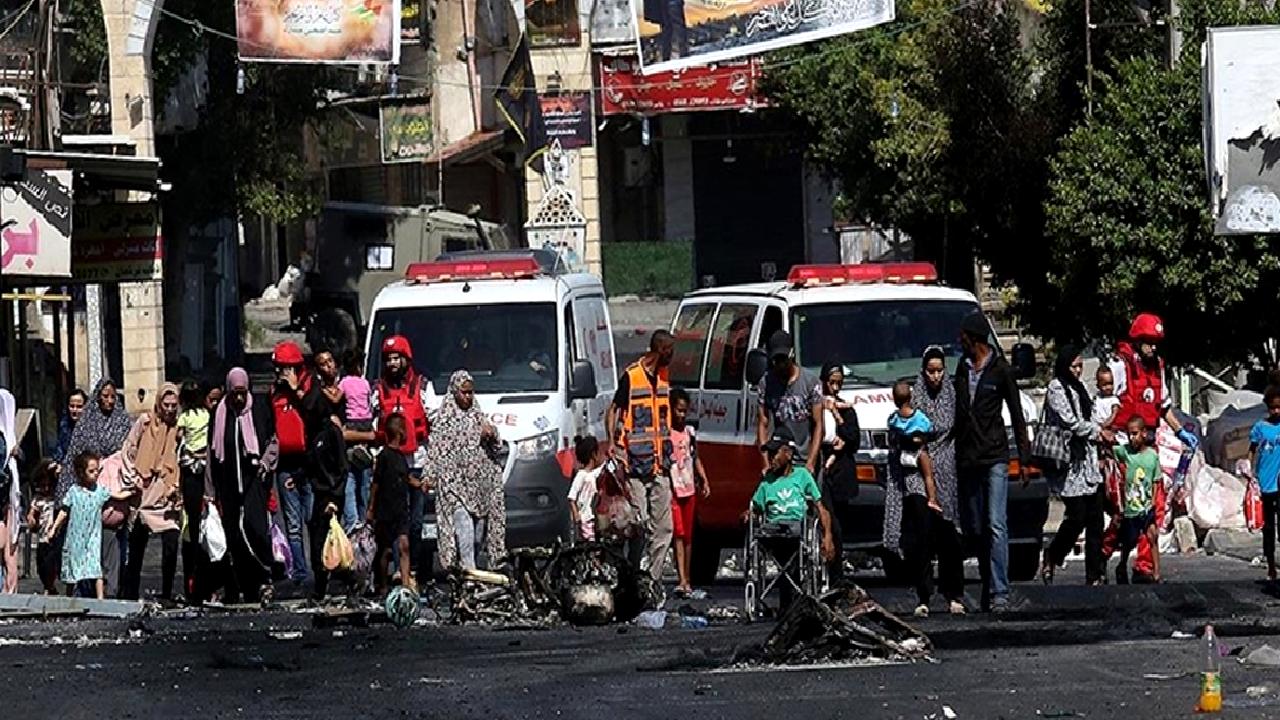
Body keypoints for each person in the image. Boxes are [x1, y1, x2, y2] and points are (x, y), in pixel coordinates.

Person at [1106, 312, 1198, 583]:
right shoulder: (1120, 366)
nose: (1153, 347)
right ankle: (1104, 552)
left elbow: (1163, 406)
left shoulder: (1157, 366)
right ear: (1137, 340)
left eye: (1156, 342)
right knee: (1124, 511)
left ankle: (1144, 565)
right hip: (1124, 449)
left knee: (1154, 508)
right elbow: (1106, 403)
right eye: (1148, 342)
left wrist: (1180, 431)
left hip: (1148, 451)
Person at [954, 311, 1030, 613]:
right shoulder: (962, 368)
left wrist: (1023, 458)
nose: (960, 342)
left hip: (995, 456)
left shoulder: (1001, 371)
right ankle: (987, 581)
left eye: (963, 337)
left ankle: (1000, 591)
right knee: (975, 525)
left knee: (997, 523)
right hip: (968, 458)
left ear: (974, 339)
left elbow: (1017, 415)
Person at [607, 330, 676, 582]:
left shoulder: (665, 377)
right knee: (640, 524)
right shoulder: (632, 376)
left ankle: (652, 582)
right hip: (635, 463)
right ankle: (632, 573)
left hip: (660, 465)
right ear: (661, 350)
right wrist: (613, 444)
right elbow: (614, 409)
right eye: (670, 350)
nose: (672, 356)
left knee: (664, 528)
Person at [1040, 347, 1112, 586]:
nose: (1078, 371)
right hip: (1070, 463)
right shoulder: (1056, 388)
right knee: (1076, 517)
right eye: (1074, 366)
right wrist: (1097, 432)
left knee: (1095, 519)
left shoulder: (1081, 389)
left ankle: (1095, 574)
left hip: (1089, 461)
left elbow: (1089, 418)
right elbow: (1069, 421)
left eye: (1081, 366)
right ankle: (1054, 553)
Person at [745, 426, 836, 610]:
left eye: (774, 453)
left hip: (798, 530)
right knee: (765, 536)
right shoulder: (767, 482)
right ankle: (778, 601)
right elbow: (756, 508)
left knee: (797, 551)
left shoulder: (802, 476)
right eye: (769, 454)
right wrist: (748, 515)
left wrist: (827, 537)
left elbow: (821, 508)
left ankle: (796, 600)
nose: (771, 458)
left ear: (787, 453)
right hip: (773, 531)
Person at [205, 368, 276, 605]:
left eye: (242, 393)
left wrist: (265, 465)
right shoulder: (220, 414)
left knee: (256, 530)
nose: (238, 399)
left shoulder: (258, 409)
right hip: (228, 486)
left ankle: (265, 579)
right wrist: (211, 491)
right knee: (234, 535)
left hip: (253, 482)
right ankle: (245, 586)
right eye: (234, 393)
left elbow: (273, 441)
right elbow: (212, 453)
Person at [426, 371, 506, 571]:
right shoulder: (443, 421)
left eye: (471, 393)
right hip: (454, 484)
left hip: (480, 485)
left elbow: (497, 447)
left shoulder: (477, 416)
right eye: (464, 392)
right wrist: (429, 476)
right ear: (455, 392)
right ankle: (468, 570)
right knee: (463, 525)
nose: (468, 397)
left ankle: (482, 569)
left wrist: (492, 433)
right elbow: (435, 450)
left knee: (479, 531)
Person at [910, 347, 966, 616]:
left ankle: (953, 593)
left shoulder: (952, 395)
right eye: (930, 371)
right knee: (923, 535)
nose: (935, 376)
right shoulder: (915, 396)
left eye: (939, 370)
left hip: (947, 468)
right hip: (919, 470)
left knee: (949, 535)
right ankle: (923, 596)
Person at [883, 380, 943, 618]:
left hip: (917, 494)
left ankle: (925, 590)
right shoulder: (896, 430)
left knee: (922, 541)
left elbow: (928, 477)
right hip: (903, 491)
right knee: (909, 542)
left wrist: (932, 499)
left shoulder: (920, 452)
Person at [372, 336, 430, 575]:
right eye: (389, 359)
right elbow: (375, 424)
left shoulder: (423, 387)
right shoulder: (378, 391)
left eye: (397, 358)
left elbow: (433, 422)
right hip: (391, 469)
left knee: (416, 523)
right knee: (395, 523)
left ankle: (413, 567)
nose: (393, 363)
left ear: (406, 360)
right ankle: (399, 569)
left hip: (416, 463)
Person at [120, 383, 183, 602]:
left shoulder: (179, 427)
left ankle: (167, 592)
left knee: (171, 544)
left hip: (167, 492)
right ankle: (130, 592)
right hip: (144, 492)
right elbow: (129, 449)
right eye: (165, 405)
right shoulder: (145, 423)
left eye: (174, 405)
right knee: (136, 546)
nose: (169, 409)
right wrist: (133, 478)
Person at [51, 452, 137, 599]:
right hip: (75, 537)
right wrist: (54, 528)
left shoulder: (100, 491)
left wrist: (132, 491)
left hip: (92, 536)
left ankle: (100, 599)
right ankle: (69, 598)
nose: (96, 474)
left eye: (97, 470)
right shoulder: (74, 491)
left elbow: (117, 495)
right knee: (73, 566)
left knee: (95, 567)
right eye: (91, 471)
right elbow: (64, 511)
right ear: (80, 473)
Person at [302, 347, 349, 600]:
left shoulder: (332, 434)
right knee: (317, 537)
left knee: (333, 537)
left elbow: (342, 468)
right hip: (318, 489)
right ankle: (320, 585)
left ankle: (342, 581)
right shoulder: (316, 436)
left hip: (331, 492)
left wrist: (334, 497)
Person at [270, 341, 315, 583]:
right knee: (293, 522)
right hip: (285, 465)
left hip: (307, 464)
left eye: (286, 369)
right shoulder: (273, 393)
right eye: (279, 369)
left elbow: (313, 413)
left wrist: (297, 391)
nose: (282, 374)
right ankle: (299, 571)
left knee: (312, 516)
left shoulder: (308, 389)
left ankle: (320, 568)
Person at [757, 330, 824, 478]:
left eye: (783, 359)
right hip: (779, 458)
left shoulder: (811, 382)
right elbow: (763, 422)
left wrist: (811, 462)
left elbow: (818, 423)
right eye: (776, 360)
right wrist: (765, 463)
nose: (780, 364)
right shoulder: (766, 383)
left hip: (805, 457)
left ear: (792, 354)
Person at [818, 362, 860, 582]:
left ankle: (836, 576)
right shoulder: (816, 405)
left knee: (838, 527)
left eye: (838, 383)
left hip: (840, 473)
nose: (835, 387)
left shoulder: (846, 408)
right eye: (831, 382)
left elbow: (853, 438)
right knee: (828, 522)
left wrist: (838, 415)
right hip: (822, 472)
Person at [669, 387, 710, 599]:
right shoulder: (667, 434)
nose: (682, 415)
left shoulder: (690, 433)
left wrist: (703, 479)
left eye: (685, 411)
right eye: (678, 411)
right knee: (678, 533)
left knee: (689, 537)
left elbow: (696, 458)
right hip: (673, 488)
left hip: (689, 487)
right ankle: (682, 579)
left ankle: (688, 579)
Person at [367, 413, 413, 596]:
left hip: (401, 508)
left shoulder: (401, 457)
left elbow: (406, 478)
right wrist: (371, 508)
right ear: (400, 432)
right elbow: (376, 484)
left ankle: (406, 584)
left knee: (404, 545)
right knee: (385, 549)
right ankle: (383, 584)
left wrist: (419, 484)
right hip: (385, 509)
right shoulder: (384, 456)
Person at [1113, 415, 1162, 584]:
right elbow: (1112, 451)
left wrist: (1154, 501)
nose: (1132, 438)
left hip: (1146, 506)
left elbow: (1156, 480)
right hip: (1131, 507)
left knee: (1152, 536)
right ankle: (1121, 564)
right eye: (1129, 434)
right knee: (1129, 541)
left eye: (1135, 434)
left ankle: (1156, 572)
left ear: (1144, 433)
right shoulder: (1125, 452)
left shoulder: (1152, 456)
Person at [178, 379, 212, 599]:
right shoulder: (207, 415)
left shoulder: (185, 417)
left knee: (191, 516)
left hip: (189, 466)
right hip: (204, 464)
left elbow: (178, 437)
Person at [340, 349, 375, 532]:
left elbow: (338, 397)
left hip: (351, 424)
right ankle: (364, 521)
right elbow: (368, 402)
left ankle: (352, 521)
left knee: (350, 476)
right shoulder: (365, 383)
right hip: (366, 423)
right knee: (364, 479)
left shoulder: (344, 382)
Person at [1248, 387, 1280, 583]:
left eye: (1279, 407)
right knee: (1268, 528)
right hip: (1265, 482)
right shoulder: (1260, 427)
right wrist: (1250, 472)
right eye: (1273, 408)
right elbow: (1252, 450)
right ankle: (1270, 566)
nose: (1276, 411)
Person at [27, 459, 62, 594]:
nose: (46, 489)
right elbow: (32, 513)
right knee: (41, 564)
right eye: (43, 486)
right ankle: (48, 586)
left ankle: (49, 587)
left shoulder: (56, 497)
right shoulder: (38, 499)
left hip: (54, 536)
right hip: (42, 536)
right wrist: (31, 519)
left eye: (49, 485)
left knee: (50, 563)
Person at [0, 389, 18, 592]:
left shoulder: (5, 437)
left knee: (8, 548)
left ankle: (8, 591)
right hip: (9, 498)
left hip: (7, 498)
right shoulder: (8, 437)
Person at [568, 436, 603, 542]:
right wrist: (576, 514)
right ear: (593, 454)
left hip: (592, 517)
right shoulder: (581, 475)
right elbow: (571, 497)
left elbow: (601, 470)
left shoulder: (592, 474)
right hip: (585, 517)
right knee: (590, 542)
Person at [51, 388, 87, 465]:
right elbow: (60, 448)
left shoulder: (92, 428)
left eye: (79, 407)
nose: (75, 410)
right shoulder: (65, 425)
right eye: (72, 406)